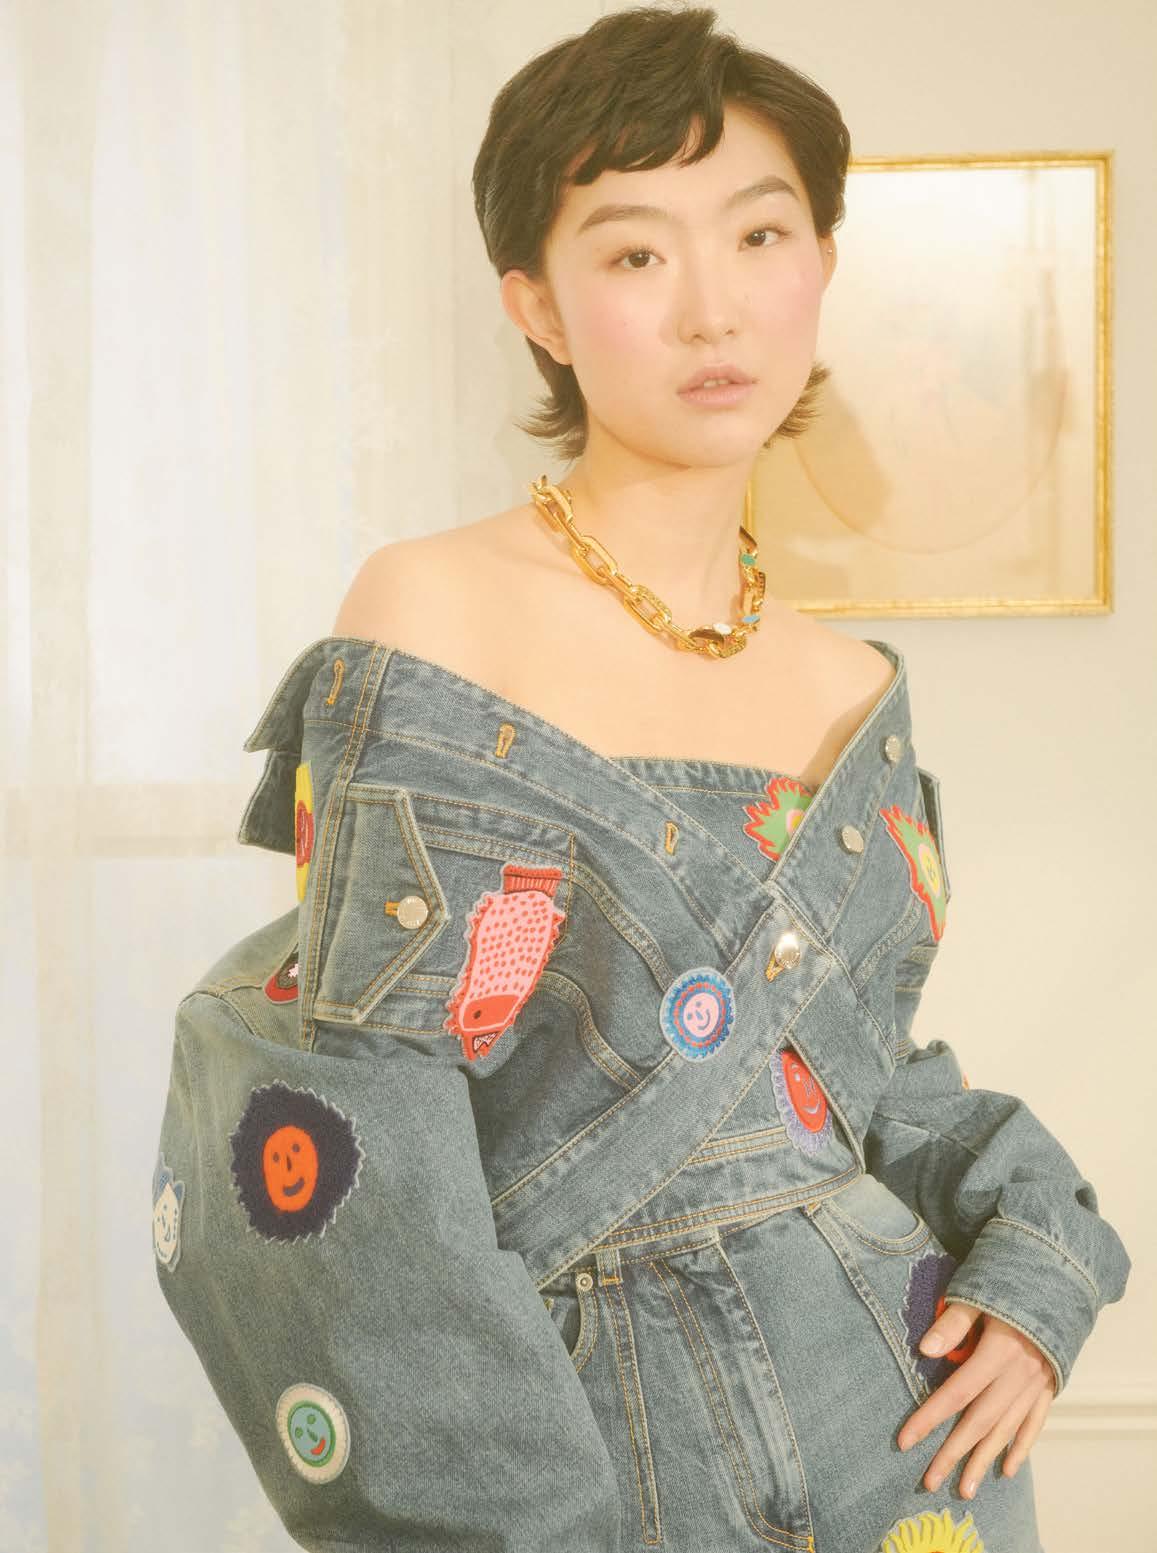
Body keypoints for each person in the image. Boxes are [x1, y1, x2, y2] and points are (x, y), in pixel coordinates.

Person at [153, 7, 1131, 1551]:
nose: (710, 309)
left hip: (909, 1440)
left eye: (759, 235)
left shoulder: (853, 683)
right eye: (632, 253)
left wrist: (1035, 1272)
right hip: (585, 1448)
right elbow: (368, 1127)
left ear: (820, 263)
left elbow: (864, 1081)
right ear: (537, 304)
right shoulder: (430, 612)